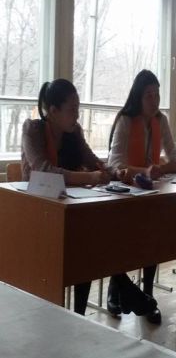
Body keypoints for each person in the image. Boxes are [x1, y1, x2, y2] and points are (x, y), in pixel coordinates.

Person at [21, 78, 112, 316]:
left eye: (78, 109)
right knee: (87, 246)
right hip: (37, 213)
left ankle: (79, 314)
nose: (77, 115)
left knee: (90, 245)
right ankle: (123, 288)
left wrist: (112, 172)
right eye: (72, 109)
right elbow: (43, 170)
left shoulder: (75, 133)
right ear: (53, 111)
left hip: (69, 210)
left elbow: (92, 160)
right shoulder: (33, 130)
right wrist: (89, 177)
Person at [107, 69, 176, 324]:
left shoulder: (161, 120)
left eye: (157, 95)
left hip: (151, 193)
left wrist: (160, 169)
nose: (154, 100)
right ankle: (116, 289)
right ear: (138, 97)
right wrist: (144, 171)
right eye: (149, 95)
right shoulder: (125, 121)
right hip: (124, 193)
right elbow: (114, 163)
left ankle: (147, 295)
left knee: (153, 238)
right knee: (122, 240)